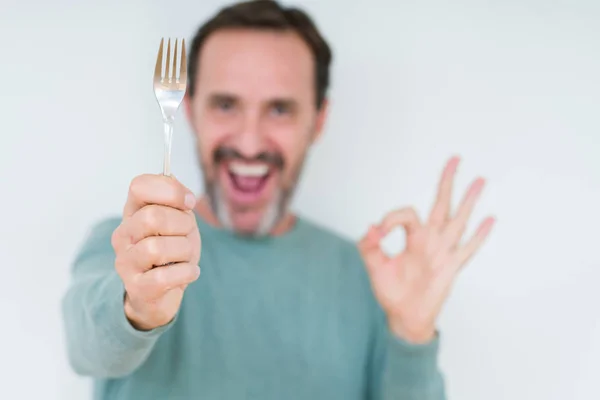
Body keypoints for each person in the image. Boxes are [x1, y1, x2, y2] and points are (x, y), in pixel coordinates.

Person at [61, 0, 495, 399]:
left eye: (280, 109)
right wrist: (139, 305)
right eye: (226, 104)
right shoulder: (132, 244)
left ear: (318, 120)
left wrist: (412, 335)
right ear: (190, 110)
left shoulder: (374, 277)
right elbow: (88, 348)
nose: (250, 144)